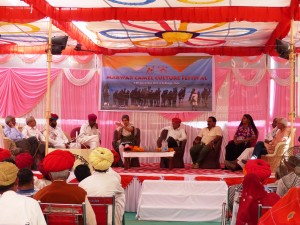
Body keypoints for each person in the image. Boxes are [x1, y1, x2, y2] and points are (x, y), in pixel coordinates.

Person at [33, 150, 96, 225]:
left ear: (50, 175)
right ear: (68, 175)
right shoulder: (80, 194)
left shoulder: (40, 195)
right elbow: (91, 221)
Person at [79, 147, 125, 225]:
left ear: (92, 165)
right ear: (109, 165)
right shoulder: (114, 180)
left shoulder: (83, 183)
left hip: (88, 222)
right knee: (120, 196)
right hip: (109, 221)